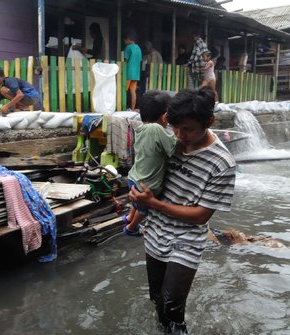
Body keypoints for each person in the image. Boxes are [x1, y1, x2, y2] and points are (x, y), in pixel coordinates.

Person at [130, 86, 236, 334]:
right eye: (175, 127)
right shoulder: (168, 140)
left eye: (188, 129)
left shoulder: (222, 163)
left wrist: (152, 204)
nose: (180, 135)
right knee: (157, 300)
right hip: (155, 233)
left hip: (186, 239)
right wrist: (135, 193)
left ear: (209, 122)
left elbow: (201, 216)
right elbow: (146, 169)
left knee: (172, 307)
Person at [122, 90, 176, 236]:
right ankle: (132, 227)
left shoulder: (142, 128)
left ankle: (128, 217)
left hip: (134, 178)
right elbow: (172, 149)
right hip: (147, 185)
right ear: (165, 117)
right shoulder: (157, 129)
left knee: (137, 203)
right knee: (144, 208)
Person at [123, 30, 142, 111]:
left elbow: (125, 60)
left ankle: (123, 107)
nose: (124, 42)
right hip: (136, 73)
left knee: (124, 90)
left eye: (124, 40)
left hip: (128, 73)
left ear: (128, 39)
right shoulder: (138, 48)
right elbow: (140, 60)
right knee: (133, 91)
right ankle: (133, 108)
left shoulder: (128, 47)